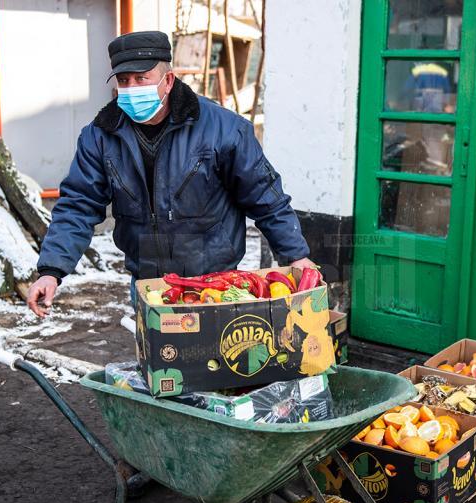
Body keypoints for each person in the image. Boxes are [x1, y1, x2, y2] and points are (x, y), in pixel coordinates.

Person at [27, 31, 313, 317]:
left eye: (142, 78)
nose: (131, 88)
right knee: (159, 361)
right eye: (123, 80)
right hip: (149, 287)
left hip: (216, 287)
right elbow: (79, 204)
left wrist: (296, 256)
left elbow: (265, 195)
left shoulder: (223, 129)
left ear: (168, 80)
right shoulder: (100, 136)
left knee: (214, 360)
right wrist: (51, 271)